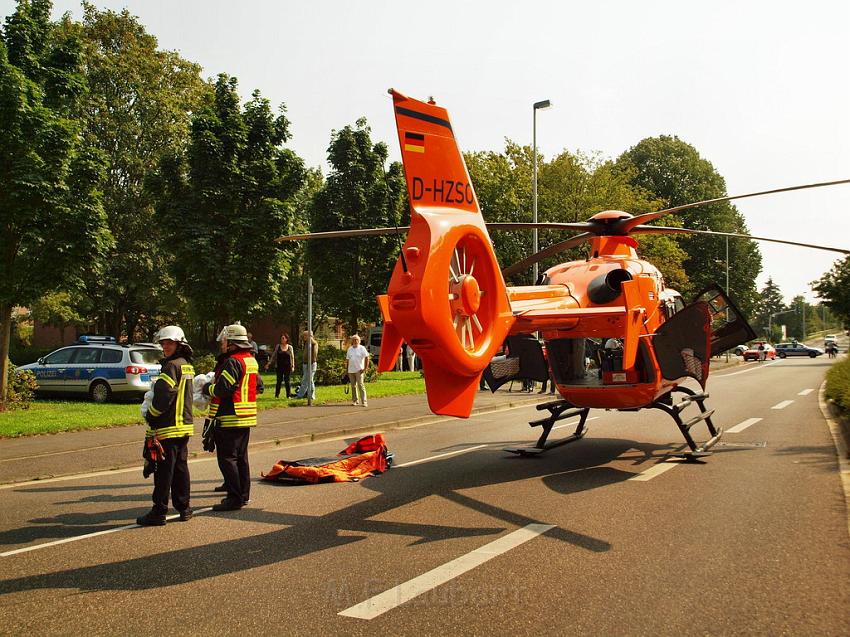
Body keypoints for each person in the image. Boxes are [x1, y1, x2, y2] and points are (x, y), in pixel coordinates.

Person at [137, 325, 195, 526]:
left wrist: (151, 415)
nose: (165, 346)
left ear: (179, 343)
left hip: (169, 427)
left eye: (169, 343)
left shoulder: (171, 366)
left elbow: (164, 396)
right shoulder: (186, 364)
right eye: (163, 343)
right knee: (180, 469)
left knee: (164, 472)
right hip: (184, 426)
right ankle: (184, 508)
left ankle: (159, 512)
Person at [203, 323, 263, 512]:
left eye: (224, 340)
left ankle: (234, 498)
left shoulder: (233, 361)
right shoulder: (250, 360)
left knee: (227, 459)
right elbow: (259, 385)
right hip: (246, 417)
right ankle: (243, 495)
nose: (222, 343)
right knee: (241, 458)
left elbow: (223, 389)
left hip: (230, 416)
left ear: (231, 342)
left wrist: (206, 388)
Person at [267, 333, 295, 398]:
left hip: (287, 367)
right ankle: (277, 395)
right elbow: (274, 355)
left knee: (287, 381)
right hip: (279, 366)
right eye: (281, 338)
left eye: (283, 338)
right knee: (279, 381)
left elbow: (292, 357)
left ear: (286, 339)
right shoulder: (278, 346)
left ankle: (288, 395)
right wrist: (269, 363)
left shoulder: (290, 347)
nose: (282, 339)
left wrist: (293, 366)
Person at [346, 334, 371, 406]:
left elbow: (367, 358)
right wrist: (346, 370)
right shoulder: (349, 349)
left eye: (356, 340)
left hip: (359, 370)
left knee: (360, 385)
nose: (355, 341)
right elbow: (347, 360)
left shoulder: (362, 348)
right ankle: (355, 400)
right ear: (352, 341)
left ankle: (364, 401)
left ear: (359, 341)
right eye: (354, 340)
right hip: (351, 370)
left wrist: (365, 368)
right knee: (353, 386)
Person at [294, 330, 318, 400]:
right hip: (305, 364)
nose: (303, 337)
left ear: (309, 336)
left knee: (308, 380)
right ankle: (303, 395)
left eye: (305, 335)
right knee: (307, 380)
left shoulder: (313, 343)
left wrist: (310, 338)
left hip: (311, 364)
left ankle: (308, 396)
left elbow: (315, 351)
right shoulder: (306, 343)